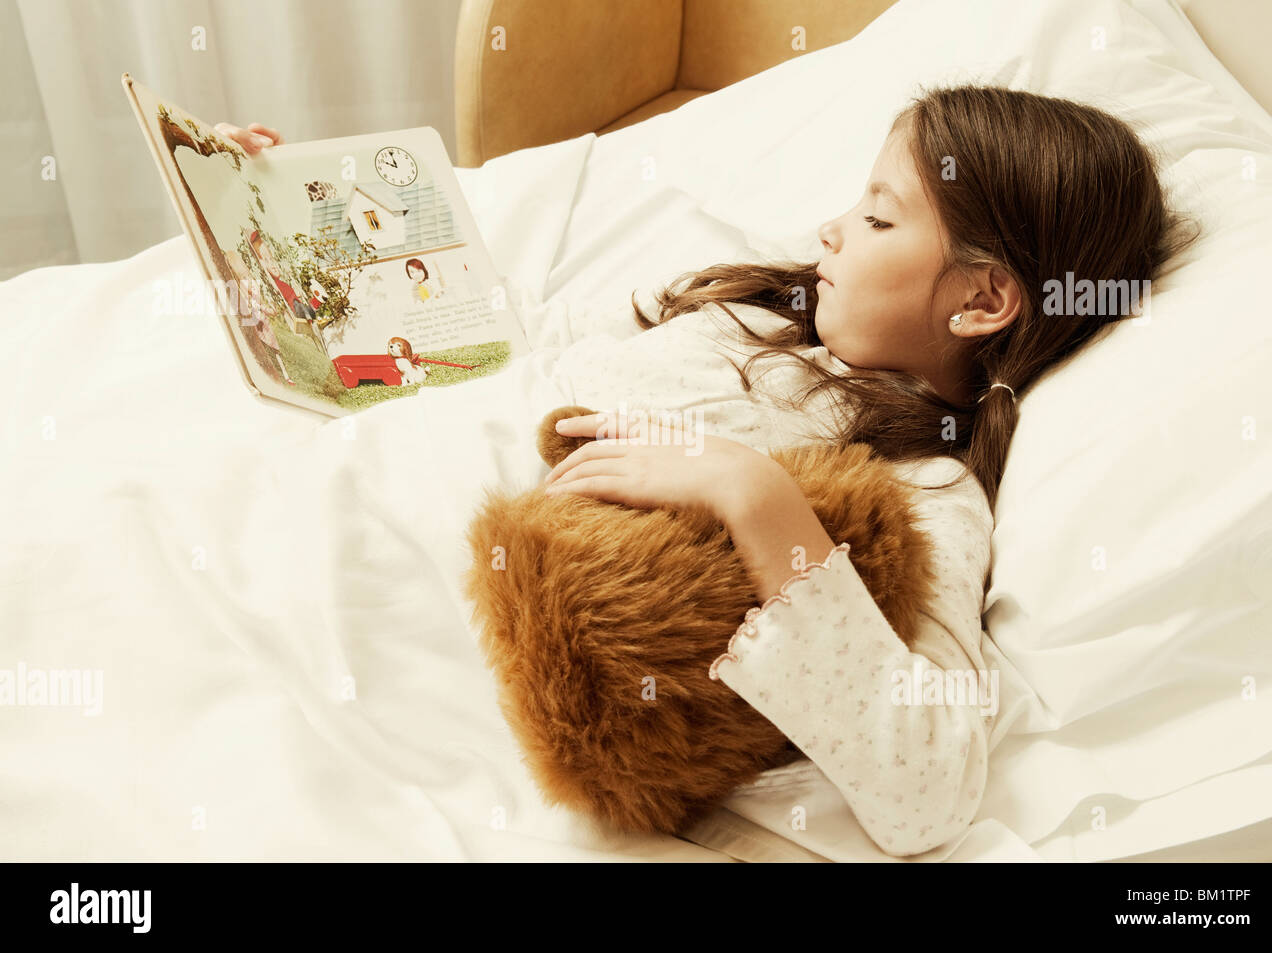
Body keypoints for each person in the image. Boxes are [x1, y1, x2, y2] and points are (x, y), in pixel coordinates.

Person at [216, 86, 1200, 857]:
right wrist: (297, 221)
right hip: (376, 482)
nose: (830, 229)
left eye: (878, 219)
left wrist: (753, 492)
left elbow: (925, 791)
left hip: (455, 624)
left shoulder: (924, 489)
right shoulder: (756, 308)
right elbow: (509, 334)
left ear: (983, 299)